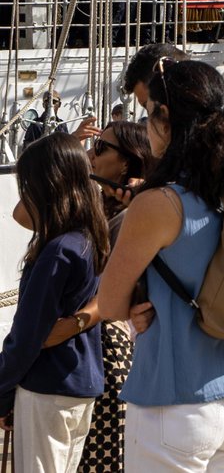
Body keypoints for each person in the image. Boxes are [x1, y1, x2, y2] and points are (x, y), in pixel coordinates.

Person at [97, 60, 224, 470]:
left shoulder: (157, 204)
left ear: (165, 119)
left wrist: (138, 301)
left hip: (175, 401)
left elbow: (109, 302)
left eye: (148, 112)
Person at [0, 133, 108, 471]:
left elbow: (28, 335)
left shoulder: (57, 251)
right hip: (81, 383)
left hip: (47, 387)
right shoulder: (89, 240)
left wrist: (1, 390)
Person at [72, 121, 152, 469]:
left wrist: (70, 324)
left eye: (101, 148)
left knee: (103, 460)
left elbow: (112, 292)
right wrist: (73, 153)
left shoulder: (131, 218)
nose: (92, 153)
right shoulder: (93, 207)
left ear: (125, 164)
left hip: (108, 347)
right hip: (89, 347)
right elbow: (24, 212)